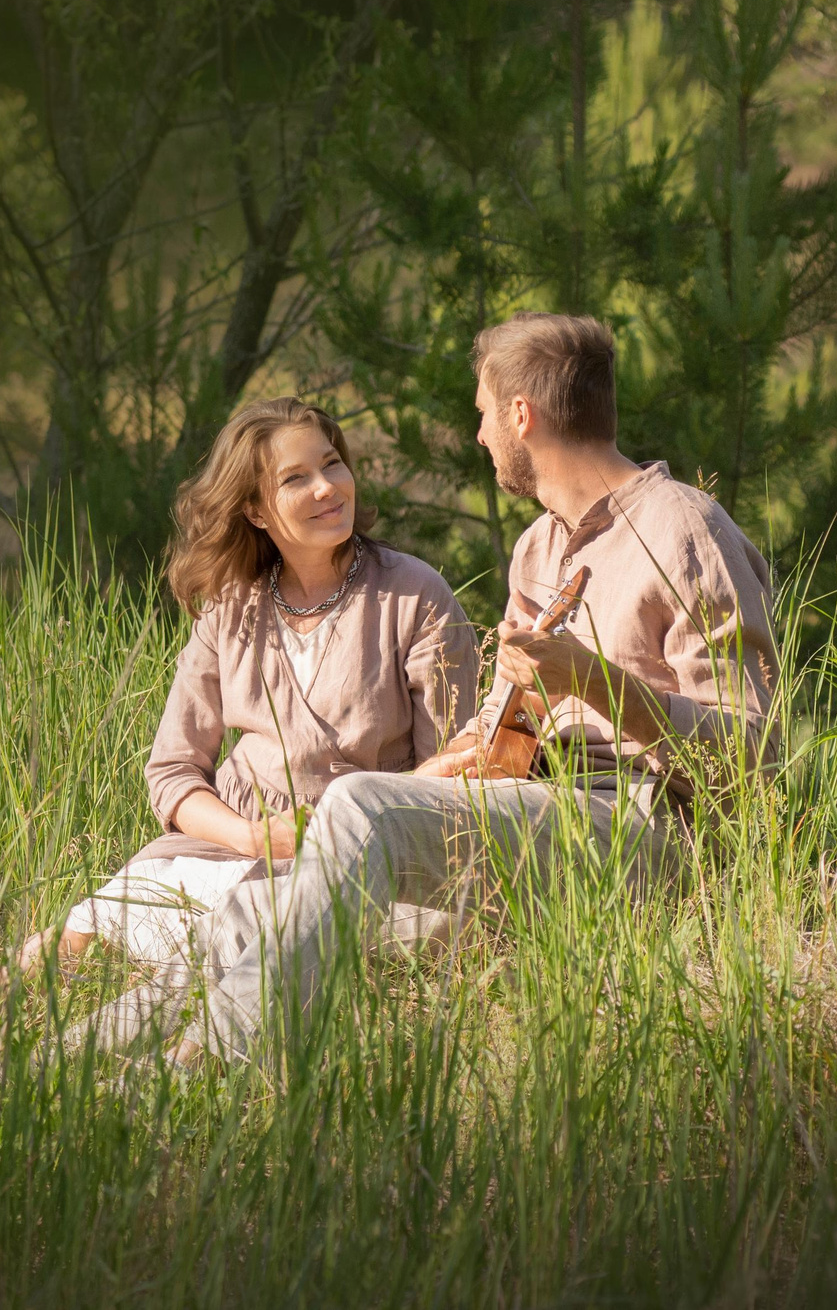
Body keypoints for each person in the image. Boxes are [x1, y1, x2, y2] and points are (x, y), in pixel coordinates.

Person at [164, 313, 779, 1066]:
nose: (481, 434)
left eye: (484, 412)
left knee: (360, 800)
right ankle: (99, 1066)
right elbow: (499, 737)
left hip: (644, 827)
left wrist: (595, 681)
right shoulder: (538, 547)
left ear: (521, 414)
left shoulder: (686, 529)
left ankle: (213, 1063)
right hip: (537, 807)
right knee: (258, 902)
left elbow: (756, 758)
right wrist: (454, 762)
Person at [0, 397, 479, 1000]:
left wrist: (352, 825)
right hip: (228, 850)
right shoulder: (231, 608)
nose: (328, 488)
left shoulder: (414, 594)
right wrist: (250, 837)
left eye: (332, 465)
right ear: (255, 509)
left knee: (419, 926)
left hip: (370, 854)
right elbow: (172, 773)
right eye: (296, 478)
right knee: (82, 930)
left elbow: (452, 774)